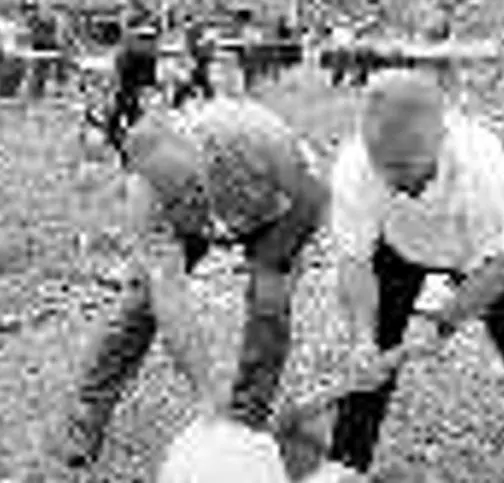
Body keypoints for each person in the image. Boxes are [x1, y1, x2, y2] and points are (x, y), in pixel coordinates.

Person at [325, 69, 504, 474]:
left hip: (479, 254)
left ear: (440, 139)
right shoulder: (355, 166)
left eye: (403, 166)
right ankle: (346, 465)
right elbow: (355, 262)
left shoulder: (480, 165)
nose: (388, 178)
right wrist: (361, 337)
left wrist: (446, 320)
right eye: (381, 165)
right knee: (371, 361)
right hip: (399, 245)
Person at [51, 95, 335, 470]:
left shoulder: (266, 150)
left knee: (269, 306)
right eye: (179, 202)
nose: (190, 207)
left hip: (280, 210)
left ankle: (246, 425)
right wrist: (206, 393)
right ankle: (83, 424)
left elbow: (311, 200)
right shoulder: (146, 197)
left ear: (211, 164)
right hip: (219, 201)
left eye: (193, 195)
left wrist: (277, 264)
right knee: (139, 305)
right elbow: (170, 300)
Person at [107, 24, 159, 154]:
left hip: (139, 92)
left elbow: (151, 80)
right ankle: (116, 141)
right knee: (119, 110)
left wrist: (147, 94)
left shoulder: (150, 57)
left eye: (150, 39)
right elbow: (120, 79)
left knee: (138, 116)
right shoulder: (123, 56)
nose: (147, 43)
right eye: (143, 38)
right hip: (125, 88)